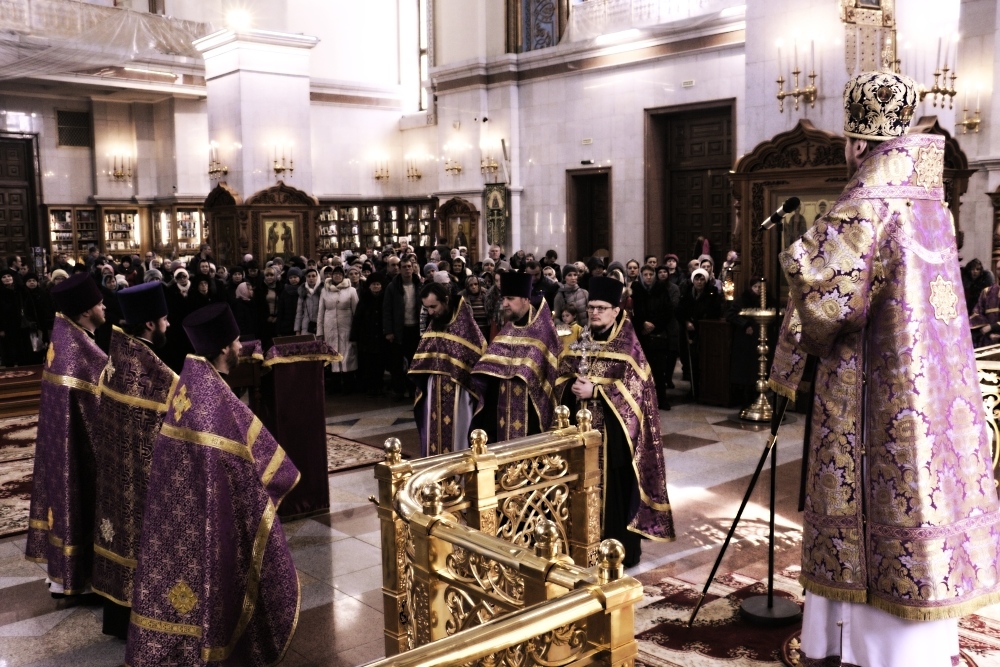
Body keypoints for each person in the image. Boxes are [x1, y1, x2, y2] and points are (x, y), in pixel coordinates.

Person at [769, 69, 1000, 667]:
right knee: (925, 490)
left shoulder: (865, 202)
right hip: (933, 386)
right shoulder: (931, 198)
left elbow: (826, 301)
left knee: (875, 496)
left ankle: (859, 648)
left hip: (875, 394)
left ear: (855, 142)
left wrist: (796, 257)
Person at [125, 302, 300, 666]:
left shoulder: (192, 383)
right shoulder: (211, 402)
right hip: (204, 515)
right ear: (223, 348)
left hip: (177, 518)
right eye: (236, 342)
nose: (241, 347)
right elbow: (241, 465)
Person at [556, 276, 675, 567]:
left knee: (614, 494)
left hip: (615, 441)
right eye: (592, 307)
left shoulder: (627, 346)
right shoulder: (581, 342)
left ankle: (617, 551)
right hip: (580, 434)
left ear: (616, 311)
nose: (595, 313)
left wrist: (596, 390)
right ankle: (582, 545)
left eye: (601, 308)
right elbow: (562, 374)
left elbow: (638, 391)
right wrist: (570, 386)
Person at [92, 281, 176, 639]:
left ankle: (119, 621)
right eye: (165, 319)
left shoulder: (119, 359)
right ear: (150, 324)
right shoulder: (149, 373)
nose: (168, 325)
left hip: (116, 476)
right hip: (142, 479)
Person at [25, 272, 107, 597]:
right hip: (81, 448)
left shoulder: (65, 339)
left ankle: (64, 574)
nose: (105, 307)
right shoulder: (81, 352)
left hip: (64, 443)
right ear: (86, 311)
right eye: (100, 303)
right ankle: (81, 578)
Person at [472, 272, 560, 443]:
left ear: (526, 299)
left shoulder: (543, 332)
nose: (505, 303)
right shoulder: (507, 331)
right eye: (503, 298)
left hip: (531, 421)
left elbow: (549, 379)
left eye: (510, 299)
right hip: (501, 415)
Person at [409, 282, 486, 456]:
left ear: (445, 300)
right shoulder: (434, 325)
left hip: (460, 392)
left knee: (458, 437)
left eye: (433, 307)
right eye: (427, 308)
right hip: (434, 392)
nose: (430, 312)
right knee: (434, 437)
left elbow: (476, 359)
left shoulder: (465, 326)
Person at [632, 263, 680, 405]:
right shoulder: (636, 289)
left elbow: (667, 311)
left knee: (659, 370)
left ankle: (661, 399)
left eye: (651, 274)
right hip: (642, 334)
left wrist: (654, 324)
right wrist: (643, 323)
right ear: (641, 276)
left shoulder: (661, 289)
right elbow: (634, 311)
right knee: (642, 369)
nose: (648, 277)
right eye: (645, 275)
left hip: (658, 333)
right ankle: (644, 400)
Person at [383, 256, 422, 399]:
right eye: (404, 267)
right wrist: (389, 331)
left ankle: (413, 390)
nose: (407, 269)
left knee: (414, 361)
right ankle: (398, 390)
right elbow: (387, 310)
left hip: (415, 328)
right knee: (397, 363)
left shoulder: (419, 285)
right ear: (399, 269)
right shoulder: (392, 287)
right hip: (399, 329)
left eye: (409, 266)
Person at [317, 264, 358, 391]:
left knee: (347, 354)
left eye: (340, 274)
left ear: (343, 276)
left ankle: (348, 384)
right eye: (335, 274)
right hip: (329, 327)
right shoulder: (324, 290)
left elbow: (356, 312)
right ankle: (335, 385)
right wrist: (320, 331)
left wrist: (356, 330)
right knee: (332, 353)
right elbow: (321, 312)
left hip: (346, 326)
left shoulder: (351, 290)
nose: (337, 276)